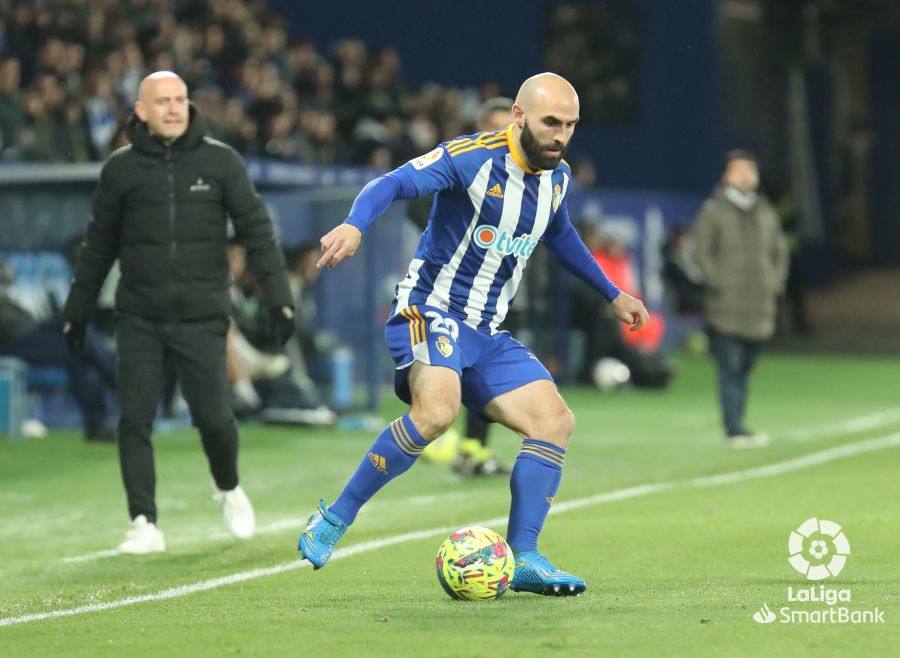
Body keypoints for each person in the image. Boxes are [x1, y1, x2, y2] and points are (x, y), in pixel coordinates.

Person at [297, 73, 648, 596]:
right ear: (518, 115)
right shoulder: (473, 157)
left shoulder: (558, 178)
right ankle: (336, 517)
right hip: (429, 311)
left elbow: (560, 233)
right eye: (551, 122)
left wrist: (611, 293)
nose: (561, 135)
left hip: (486, 330)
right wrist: (355, 223)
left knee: (554, 422)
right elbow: (391, 182)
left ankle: (525, 557)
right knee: (437, 412)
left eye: (571, 125)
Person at [62, 71, 295, 554]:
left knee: (214, 419)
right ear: (140, 111)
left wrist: (279, 297)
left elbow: (257, 233)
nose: (172, 108)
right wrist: (77, 310)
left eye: (180, 100)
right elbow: (98, 247)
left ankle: (228, 486)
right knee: (135, 418)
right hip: (140, 317)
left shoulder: (220, 161)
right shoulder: (120, 170)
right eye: (161, 101)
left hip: (202, 316)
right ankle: (144, 522)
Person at [693, 150, 789, 448]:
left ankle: (737, 423)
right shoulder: (714, 211)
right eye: (739, 170)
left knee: (746, 366)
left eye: (750, 170)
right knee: (730, 368)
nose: (746, 176)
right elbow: (701, 252)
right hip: (726, 305)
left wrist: (774, 282)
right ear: (726, 176)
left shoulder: (766, 211)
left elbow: (780, 251)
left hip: (759, 306)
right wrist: (717, 281)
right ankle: (734, 427)